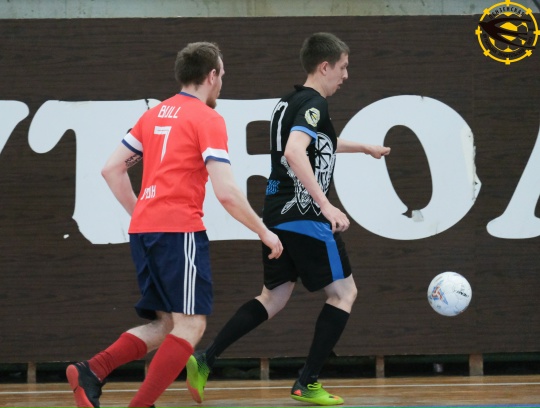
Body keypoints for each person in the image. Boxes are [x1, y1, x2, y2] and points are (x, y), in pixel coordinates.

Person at [66, 41, 283, 408]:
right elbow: (227, 192)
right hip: (178, 230)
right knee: (192, 324)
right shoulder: (207, 118)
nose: (221, 82)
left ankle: (92, 370)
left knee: (167, 325)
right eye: (222, 75)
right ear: (211, 76)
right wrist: (263, 231)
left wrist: (141, 212)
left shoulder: (153, 115)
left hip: (145, 230)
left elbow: (112, 169)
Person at [185, 33, 390, 406]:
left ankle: (205, 358)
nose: (346, 75)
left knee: (273, 298)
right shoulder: (315, 104)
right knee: (344, 294)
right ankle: (307, 382)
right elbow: (296, 152)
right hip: (305, 215)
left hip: (276, 213)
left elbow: (314, 143)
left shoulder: (289, 102)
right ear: (324, 66)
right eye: (343, 67)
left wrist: (364, 147)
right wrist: (326, 205)